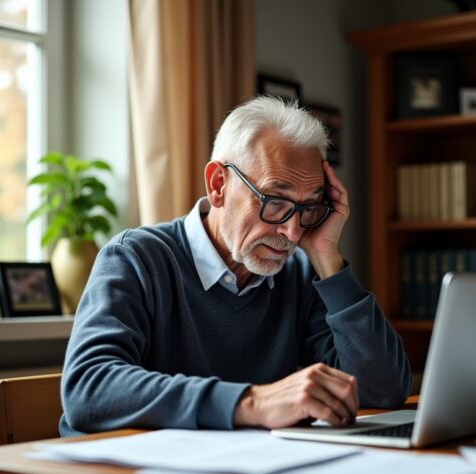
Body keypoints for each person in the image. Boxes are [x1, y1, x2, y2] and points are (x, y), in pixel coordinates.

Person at [60, 96, 411, 436]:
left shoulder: (299, 275)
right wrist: (252, 402)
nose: (292, 232)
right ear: (218, 185)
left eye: (309, 209)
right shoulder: (136, 259)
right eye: (275, 201)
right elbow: (88, 388)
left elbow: (383, 391)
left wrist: (327, 257)